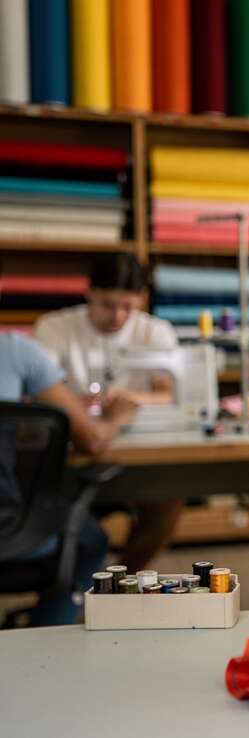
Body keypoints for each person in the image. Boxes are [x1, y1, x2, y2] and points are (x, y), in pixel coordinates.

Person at [33, 253, 182, 572]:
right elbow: (39, 395)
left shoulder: (155, 332)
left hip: (138, 451)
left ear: (142, 298)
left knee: (171, 498)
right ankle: (75, 585)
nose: (117, 317)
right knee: (68, 522)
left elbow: (169, 394)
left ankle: (121, 581)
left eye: (128, 306)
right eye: (107, 305)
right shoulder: (54, 328)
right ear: (90, 292)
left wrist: (125, 400)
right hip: (74, 454)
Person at [0, 332, 138, 626]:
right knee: (92, 540)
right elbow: (92, 439)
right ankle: (47, 638)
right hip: (8, 530)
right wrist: (117, 418)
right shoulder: (15, 351)